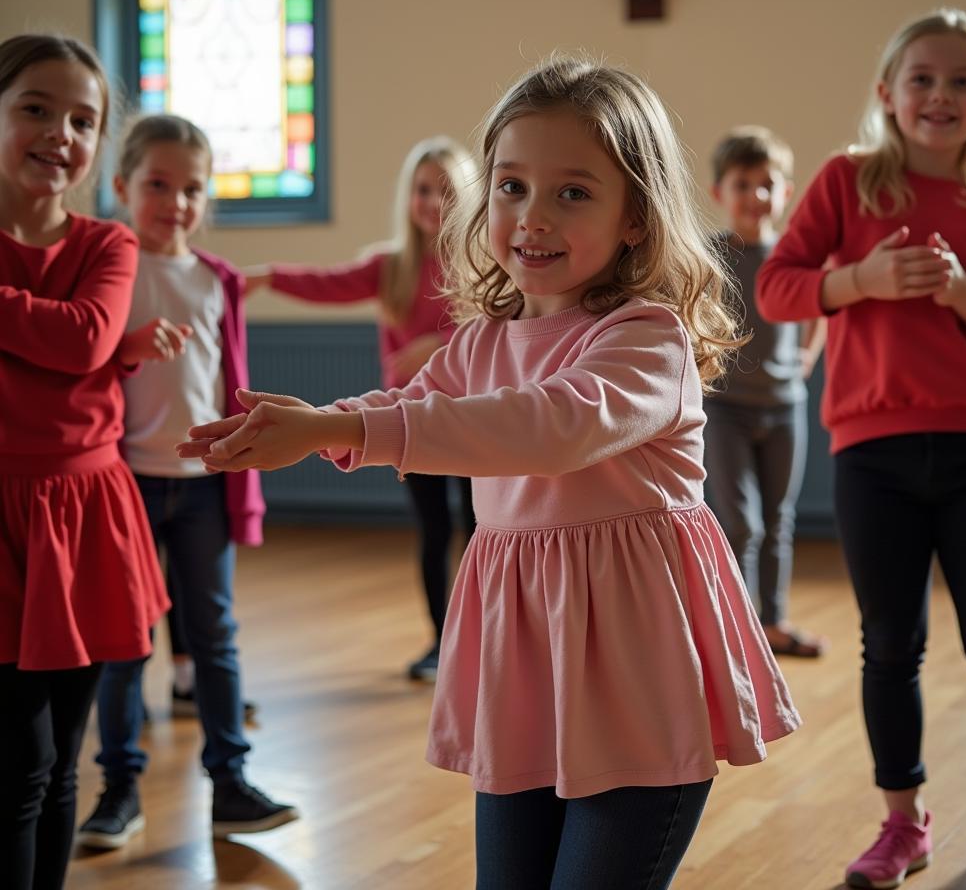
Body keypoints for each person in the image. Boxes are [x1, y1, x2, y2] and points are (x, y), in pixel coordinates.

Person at [180, 56, 801, 889]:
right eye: (511, 186)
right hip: (527, 676)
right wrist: (306, 424)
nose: (532, 216)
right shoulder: (479, 338)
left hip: (639, 678)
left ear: (635, 219)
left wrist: (342, 426)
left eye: (572, 192)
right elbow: (419, 400)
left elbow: (548, 428)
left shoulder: (646, 338)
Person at [757, 8, 966, 887]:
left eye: (960, 82)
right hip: (874, 453)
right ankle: (901, 825)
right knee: (889, 646)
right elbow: (776, 288)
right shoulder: (846, 182)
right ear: (888, 93)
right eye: (922, 79)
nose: (939, 96)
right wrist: (858, 281)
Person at [77, 114, 297, 850]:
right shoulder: (111, 268)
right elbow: (89, 369)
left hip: (203, 484)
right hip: (126, 483)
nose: (176, 201)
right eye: (158, 185)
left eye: (192, 188)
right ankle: (118, 790)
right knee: (124, 643)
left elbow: (228, 379)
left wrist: (242, 458)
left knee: (214, 636)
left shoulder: (216, 279)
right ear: (121, 188)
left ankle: (230, 783)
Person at [0, 35, 169, 890]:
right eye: (35, 107)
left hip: (83, 514)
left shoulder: (107, 243)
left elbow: (84, 341)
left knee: (58, 762)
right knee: (15, 764)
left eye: (82, 119)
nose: (59, 133)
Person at [244, 136, 476, 681]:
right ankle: (439, 641)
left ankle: (481, 637)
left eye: (446, 192)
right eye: (423, 191)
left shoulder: (480, 264)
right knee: (433, 530)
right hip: (409, 422)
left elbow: (506, 330)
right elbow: (327, 284)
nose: (433, 204)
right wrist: (269, 275)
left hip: (470, 420)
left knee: (478, 528)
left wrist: (438, 348)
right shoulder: (389, 266)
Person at [704, 125, 826, 657]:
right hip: (725, 408)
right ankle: (738, 627)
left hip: (784, 408)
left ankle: (772, 621)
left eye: (767, 183)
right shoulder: (709, 256)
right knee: (740, 522)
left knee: (778, 519)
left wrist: (807, 357)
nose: (755, 195)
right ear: (719, 193)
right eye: (742, 183)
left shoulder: (792, 256)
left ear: (785, 191)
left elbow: (817, 305)